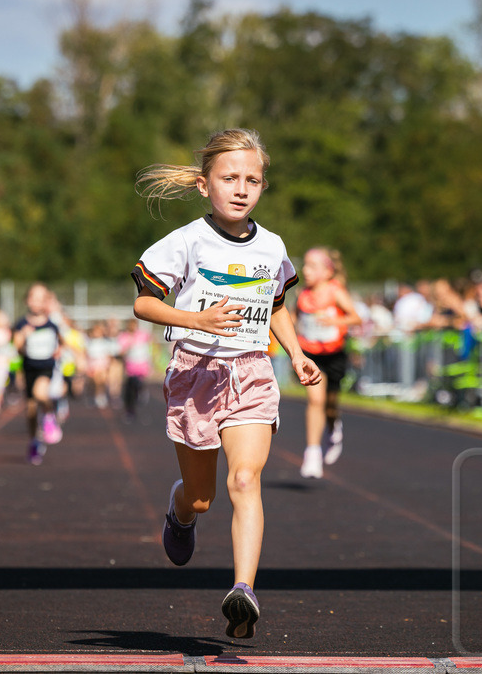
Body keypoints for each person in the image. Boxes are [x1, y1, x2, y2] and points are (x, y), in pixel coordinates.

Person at [130, 128, 321, 639]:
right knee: (201, 496)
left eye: (252, 180)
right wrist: (196, 321)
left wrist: (298, 355)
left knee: (245, 480)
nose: (241, 188)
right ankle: (179, 514)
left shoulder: (273, 246)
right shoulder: (187, 240)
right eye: (230, 178)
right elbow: (144, 304)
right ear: (203, 185)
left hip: (253, 373)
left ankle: (244, 591)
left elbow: (275, 305)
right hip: (196, 372)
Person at [295, 247, 361, 478]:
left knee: (330, 405)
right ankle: (312, 453)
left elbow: (355, 317)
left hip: (334, 355)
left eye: (312, 266)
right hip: (311, 354)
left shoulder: (335, 291)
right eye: (305, 265)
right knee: (315, 401)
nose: (306, 270)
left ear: (327, 271)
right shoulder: (302, 294)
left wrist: (335, 320)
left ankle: (334, 426)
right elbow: (294, 319)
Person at [13, 282, 63, 465]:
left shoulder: (52, 323)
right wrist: (23, 337)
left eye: (41, 299)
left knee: (40, 393)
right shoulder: (22, 323)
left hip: (46, 367)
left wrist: (60, 350)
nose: (36, 302)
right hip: (29, 367)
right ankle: (34, 441)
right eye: (33, 298)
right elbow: (17, 347)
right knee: (31, 409)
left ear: (46, 302)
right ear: (27, 300)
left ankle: (50, 417)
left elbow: (62, 341)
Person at [117, 318, 153, 421]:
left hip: (142, 364)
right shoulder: (124, 336)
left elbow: (151, 342)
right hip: (130, 365)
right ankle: (130, 410)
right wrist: (127, 347)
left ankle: (141, 392)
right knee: (130, 387)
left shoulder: (142, 335)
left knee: (138, 384)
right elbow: (121, 351)